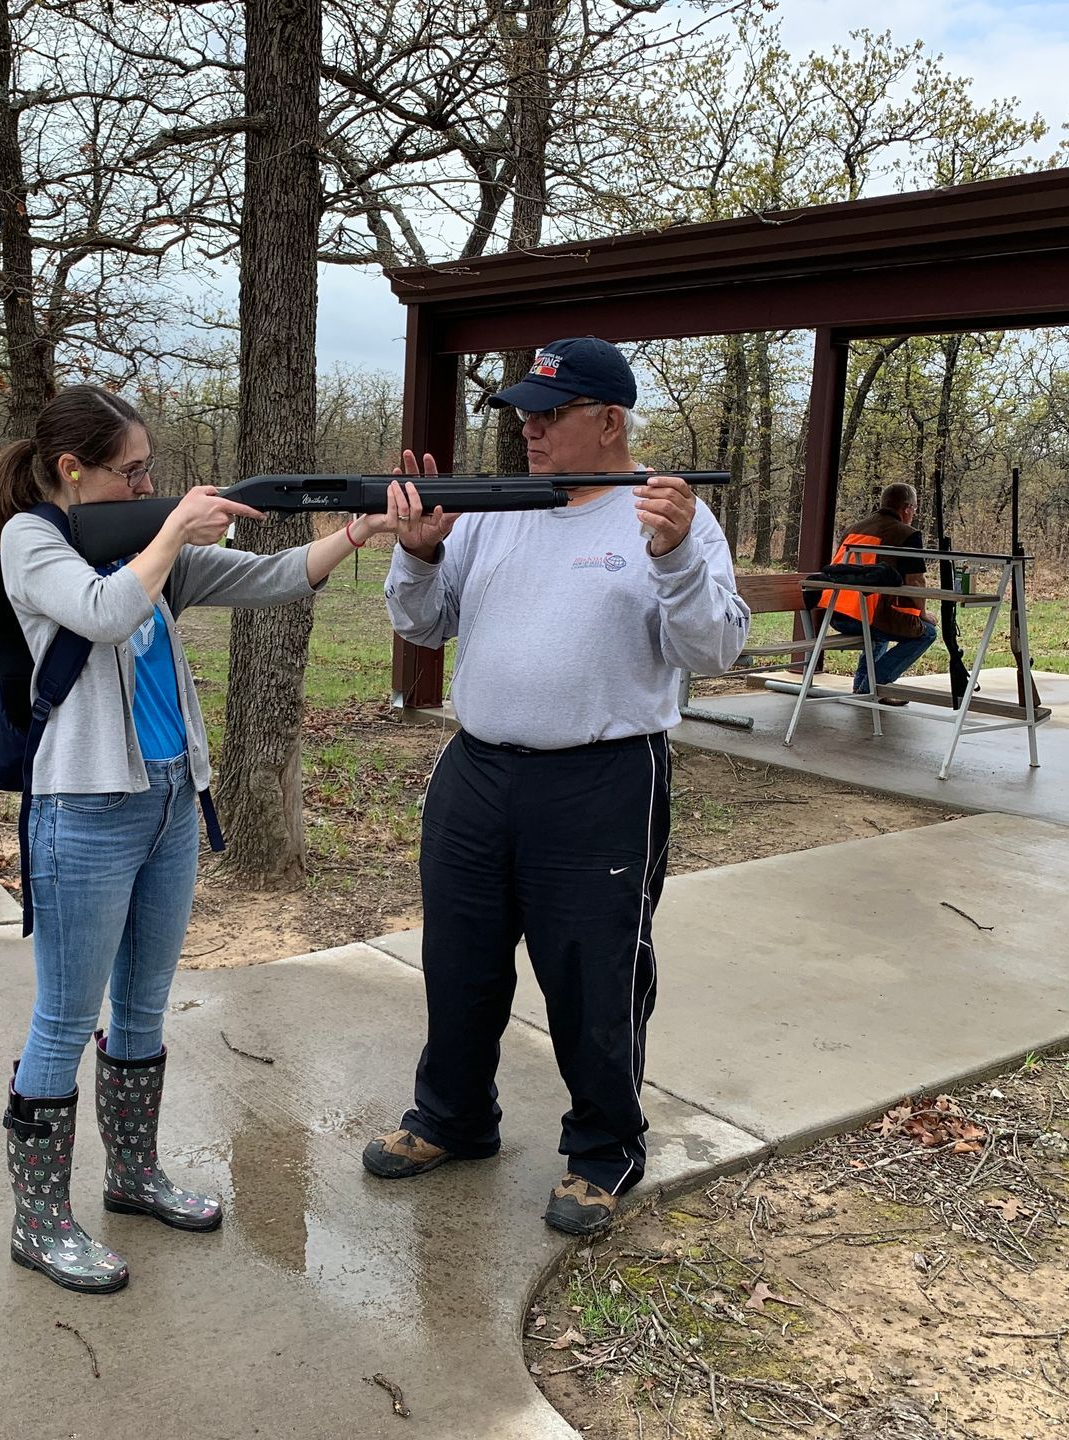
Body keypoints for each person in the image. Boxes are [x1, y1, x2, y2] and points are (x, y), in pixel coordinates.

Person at [0, 385, 401, 1294]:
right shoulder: (32, 540)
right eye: (131, 472)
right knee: (65, 1018)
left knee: (143, 1008)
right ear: (74, 471)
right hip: (85, 806)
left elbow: (269, 578)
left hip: (173, 798)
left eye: (150, 470)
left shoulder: (144, 548)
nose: (150, 483)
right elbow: (100, 613)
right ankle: (40, 1221)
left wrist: (356, 534)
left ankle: (134, 1177)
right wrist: (172, 530)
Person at [364, 336, 750, 1237]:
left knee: (594, 973)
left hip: (604, 778)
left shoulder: (664, 516)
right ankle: (454, 1119)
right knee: (458, 959)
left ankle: (603, 1149)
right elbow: (425, 626)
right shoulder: (499, 510)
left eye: (550, 414)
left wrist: (677, 556)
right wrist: (418, 555)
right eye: (523, 414)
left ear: (610, 420)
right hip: (479, 768)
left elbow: (715, 649)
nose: (529, 430)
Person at [819, 482, 936, 698]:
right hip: (867, 617)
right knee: (926, 633)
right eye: (915, 509)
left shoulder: (852, 530)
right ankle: (873, 686)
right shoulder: (907, 535)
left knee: (879, 627)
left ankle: (861, 687)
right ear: (907, 508)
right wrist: (922, 614)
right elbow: (916, 582)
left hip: (836, 614)